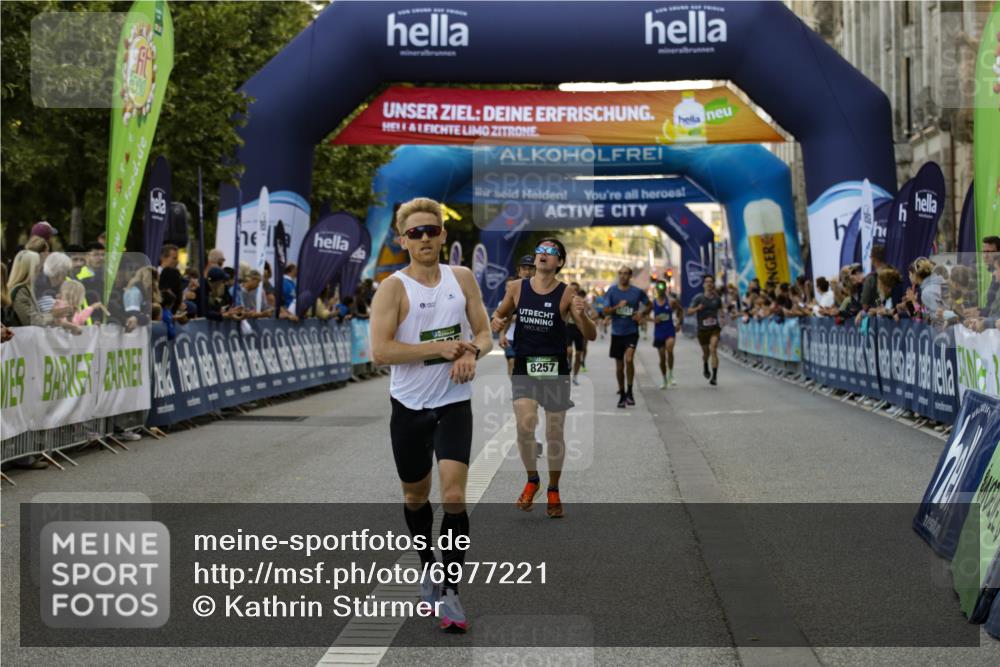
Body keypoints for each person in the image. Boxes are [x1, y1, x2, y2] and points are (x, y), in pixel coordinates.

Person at [369, 197, 492, 634]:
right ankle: (428, 568)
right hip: (408, 409)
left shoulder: (461, 279)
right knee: (416, 499)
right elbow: (381, 351)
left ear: (443, 235)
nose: (424, 238)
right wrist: (437, 349)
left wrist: (472, 351)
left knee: (454, 497)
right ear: (403, 240)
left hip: (453, 404)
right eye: (415, 233)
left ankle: (452, 591)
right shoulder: (393, 287)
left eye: (431, 231)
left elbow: (484, 333)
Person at [491, 238, 596, 519]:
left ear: (559, 262)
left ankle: (553, 488)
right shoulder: (516, 288)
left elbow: (590, 334)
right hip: (525, 367)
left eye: (551, 252)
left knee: (553, 433)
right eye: (540, 250)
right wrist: (497, 323)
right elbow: (499, 315)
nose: (543, 255)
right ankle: (532, 479)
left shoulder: (566, 293)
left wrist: (583, 314)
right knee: (525, 426)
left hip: (554, 370)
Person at [603, 266, 650, 408]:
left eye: (626, 274)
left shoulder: (637, 292)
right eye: (621, 273)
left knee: (629, 359)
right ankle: (622, 394)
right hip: (617, 333)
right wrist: (617, 306)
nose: (623, 276)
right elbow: (605, 311)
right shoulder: (612, 291)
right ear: (618, 275)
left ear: (630, 276)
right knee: (619, 366)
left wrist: (642, 314)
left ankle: (630, 391)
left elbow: (649, 305)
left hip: (631, 332)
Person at [8, 250, 71, 327]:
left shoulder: (27, 289)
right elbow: (32, 321)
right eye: (38, 267)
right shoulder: (21, 291)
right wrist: (53, 315)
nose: (41, 271)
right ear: (31, 269)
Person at [687, 274, 723, 386]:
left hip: (714, 329)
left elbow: (721, 310)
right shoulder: (698, 298)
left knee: (713, 349)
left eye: (711, 282)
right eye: (707, 282)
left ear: (713, 284)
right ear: (703, 285)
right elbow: (689, 311)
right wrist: (697, 308)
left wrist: (722, 318)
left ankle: (714, 377)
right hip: (702, 330)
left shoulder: (717, 298)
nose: (709, 284)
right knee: (706, 353)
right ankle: (705, 365)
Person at [651, 280, 682, 388]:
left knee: (670, 349)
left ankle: (671, 374)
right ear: (656, 289)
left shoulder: (671, 301)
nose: (660, 289)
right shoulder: (653, 302)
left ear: (665, 289)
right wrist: (653, 319)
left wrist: (678, 323)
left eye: (662, 287)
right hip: (659, 332)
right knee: (662, 357)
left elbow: (680, 310)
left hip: (669, 330)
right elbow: (644, 315)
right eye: (658, 287)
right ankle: (664, 379)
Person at [563, 282, 587, 386]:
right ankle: (568, 363)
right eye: (571, 289)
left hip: (579, 329)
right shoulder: (564, 301)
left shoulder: (581, 301)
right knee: (569, 350)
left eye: (575, 290)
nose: (573, 292)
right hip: (568, 328)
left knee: (578, 355)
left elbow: (593, 313)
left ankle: (575, 377)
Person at [158, 244, 183, 313]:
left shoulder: (177, 275)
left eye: (177, 258)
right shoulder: (151, 275)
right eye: (174, 258)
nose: (177, 261)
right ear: (163, 257)